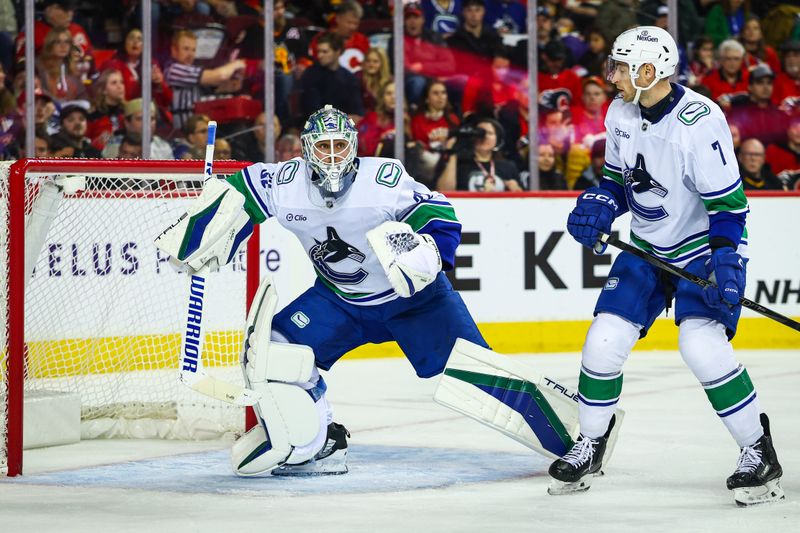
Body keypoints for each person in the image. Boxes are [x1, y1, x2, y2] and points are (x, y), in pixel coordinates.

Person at [154, 104, 505, 477]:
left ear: (354, 146)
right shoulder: (287, 184)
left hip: (415, 302)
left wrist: (428, 252)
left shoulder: (382, 178)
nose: (334, 155)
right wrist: (199, 234)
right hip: (340, 302)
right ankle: (318, 443)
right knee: (274, 350)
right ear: (306, 150)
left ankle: (566, 438)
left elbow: (438, 213)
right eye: (324, 146)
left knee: (479, 375)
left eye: (341, 145)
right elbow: (239, 194)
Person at [551, 26, 783, 506]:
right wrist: (601, 201)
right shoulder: (620, 111)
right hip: (647, 248)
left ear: (648, 71)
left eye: (619, 67)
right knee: (604, 338)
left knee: (701, 344)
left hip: (702, 248)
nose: (611, 75)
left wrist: (724, 260)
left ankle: (758, 452)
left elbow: (728, 206)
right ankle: (590, 443)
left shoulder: (700, 121)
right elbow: (619, 178)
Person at [163, 29, 248, 130]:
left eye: (193, 50)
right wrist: (236, 64)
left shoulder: (193, 69)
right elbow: (220, 76)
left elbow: (218, 85)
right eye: (186, 49)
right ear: (174, 50)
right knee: (233, 130)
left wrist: (235, 92)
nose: (190, 54)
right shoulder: (174, 70)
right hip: (185, 132)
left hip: (203, 125)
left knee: (223, 135)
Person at [436, 117, 522, 191]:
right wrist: (452, 154)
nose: (484, 137)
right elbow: (445, 192)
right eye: (480, 132)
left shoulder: (508, 167)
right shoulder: (460, 164)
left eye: (490, 133)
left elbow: (525, 199)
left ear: (498, 140)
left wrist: (516, 189)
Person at [299, 32, 364, 122]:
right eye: (319, 51)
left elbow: (357, 111)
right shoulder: (311, 74)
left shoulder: (350, 79)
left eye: (325, 52)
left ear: (338, 52)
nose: (319, 56)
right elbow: (312, 108)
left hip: (345, 127)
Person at [102, 98, 174, 159]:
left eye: (152, 118)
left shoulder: (163, 147)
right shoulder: (114, 145)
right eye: (140, 118)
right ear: (127, 123)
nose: (147, 123)